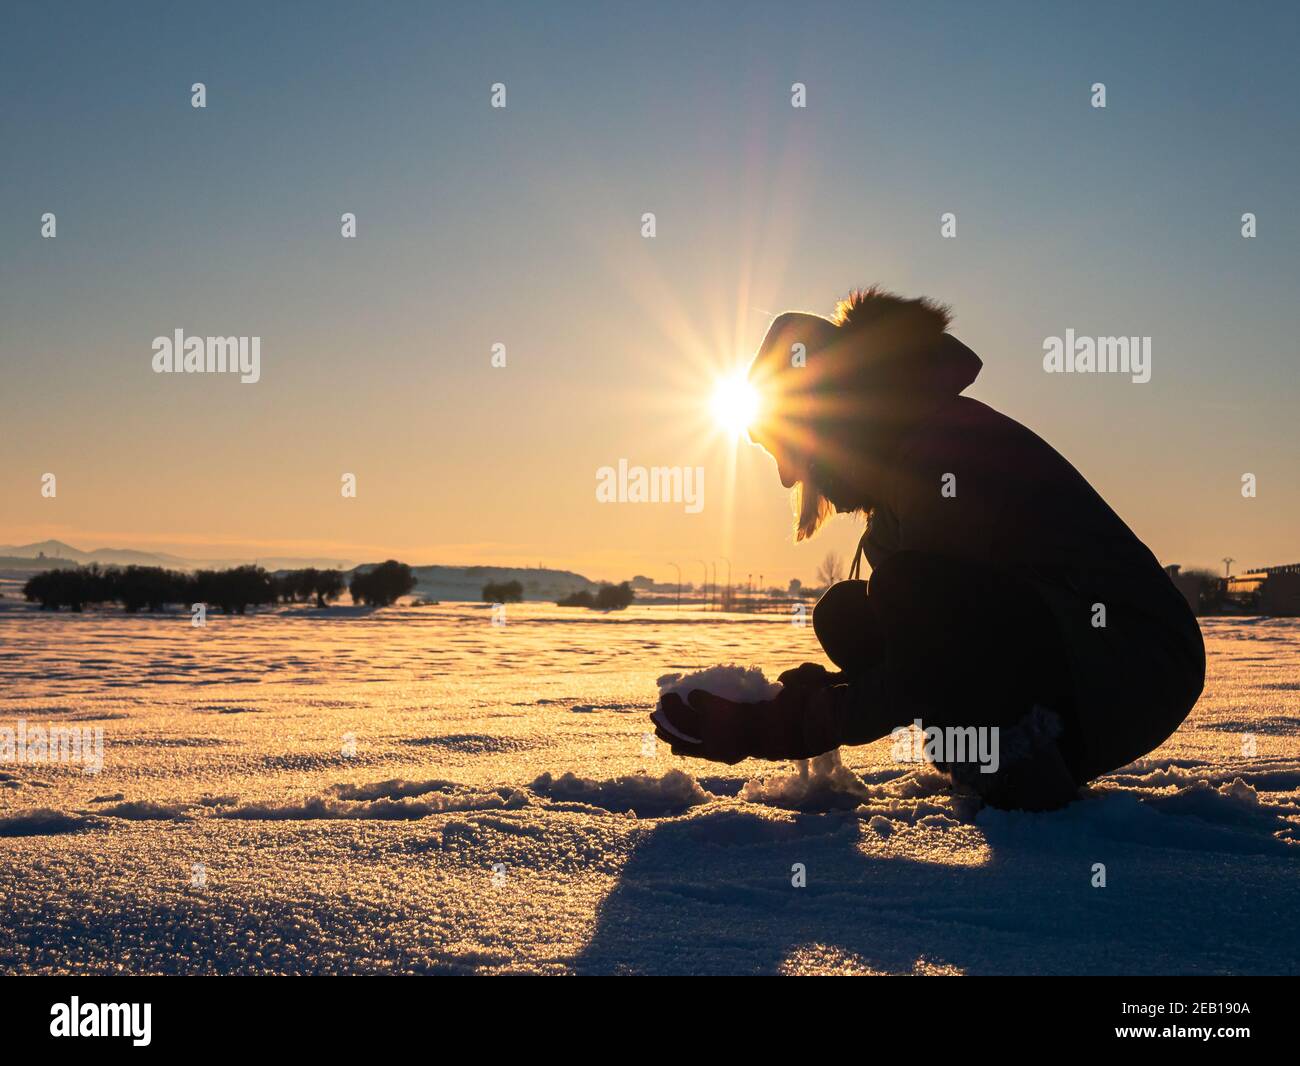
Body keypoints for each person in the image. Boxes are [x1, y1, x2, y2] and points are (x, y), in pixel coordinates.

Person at [653, 288, 1205, 811]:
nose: (788, 478)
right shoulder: (898, 495)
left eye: (789, 450)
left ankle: (1025, 782)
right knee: (849, 612)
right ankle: (991, 761)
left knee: (908, 590)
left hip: (1133, 664)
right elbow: (922, 653)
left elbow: (933, 647)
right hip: (1079, 661)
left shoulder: (944, 451)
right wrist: (791, 701)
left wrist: (785, 726)